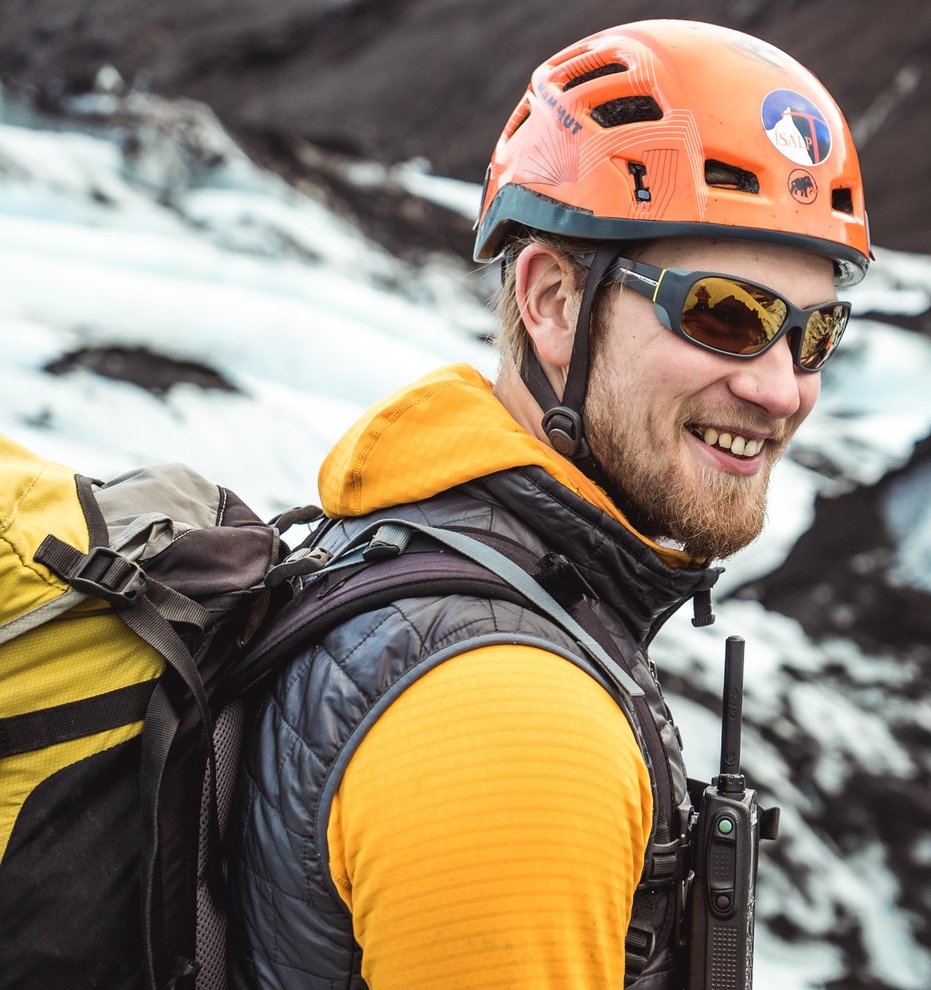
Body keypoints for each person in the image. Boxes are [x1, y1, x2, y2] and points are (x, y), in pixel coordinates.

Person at [229, 18, 871, 990]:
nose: (782, 390)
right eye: (726, 315)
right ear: (554, 302)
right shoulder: (511, 723)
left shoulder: (422, 542)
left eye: (813, 333)